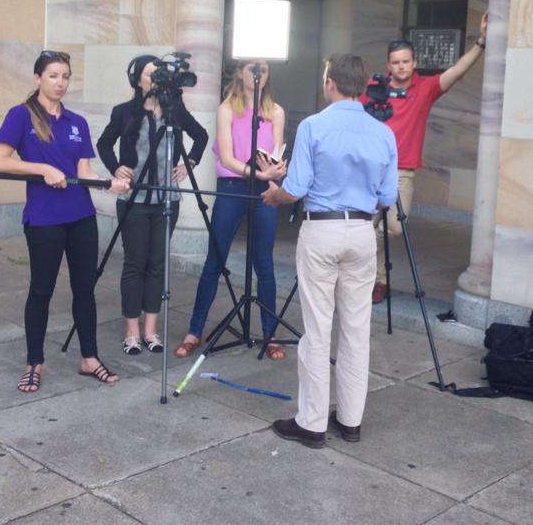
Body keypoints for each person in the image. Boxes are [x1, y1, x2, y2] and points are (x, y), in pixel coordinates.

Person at [262, 54, 398, 448]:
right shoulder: (383, 133)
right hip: (361, 232)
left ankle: (312, 423)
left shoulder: (314, 126)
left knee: (317, 329)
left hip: (321, 230)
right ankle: (351, 421)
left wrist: (274, 196)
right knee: (356, 331)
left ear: (330, 83)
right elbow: (386, 197)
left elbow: (296, 188)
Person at [0, 50, 130, 393]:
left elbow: (83, 171)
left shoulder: (76, 122)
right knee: (42, 290)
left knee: (85, 290)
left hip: (81, 217)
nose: (60, 82)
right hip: (44, 220)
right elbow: (0, 161)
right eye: (53, 75)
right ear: (38, 78)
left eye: (65, 76)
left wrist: (107, 183)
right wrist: (43, 169)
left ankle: (89, 358)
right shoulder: (20, 116)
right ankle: (34, 363)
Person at [362, 11, 487, 303]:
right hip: (369, 170)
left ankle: (369, 266)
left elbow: (457, 72)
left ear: (414, 63)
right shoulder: (374, 90)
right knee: (363, 225)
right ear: (388, 66)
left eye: (406, 61)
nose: (401, 66)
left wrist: (480, 43)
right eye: (396, 62)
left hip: (402, 171)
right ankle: (376, 280)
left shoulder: (425, 88)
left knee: (391, 228)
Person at [173, 60, 288, 361]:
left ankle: (269, 332)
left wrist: (276, 169)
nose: (257, 73)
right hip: (233, 186)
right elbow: (226, 156)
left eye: (263, 68)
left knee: (264, 263)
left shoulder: (276, 111)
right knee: (215, 258)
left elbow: (274, 154)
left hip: (264, 188)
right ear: (239, 72)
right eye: (252, 67)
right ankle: (194, 331)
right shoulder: (227, 108)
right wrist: (256, 172)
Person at [96, 55, 208, 355]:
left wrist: (190, 163)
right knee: (135, 263)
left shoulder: (174, 112)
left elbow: (201, 135)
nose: (156, 79)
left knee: (158, 264)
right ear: (137, 80)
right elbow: (104, 143)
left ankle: (150, 330)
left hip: (166, 199)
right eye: (150, 74)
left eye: (158, 74)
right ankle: (132, 330)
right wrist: (116, 167)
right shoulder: (125, 112)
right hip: (134, 198)